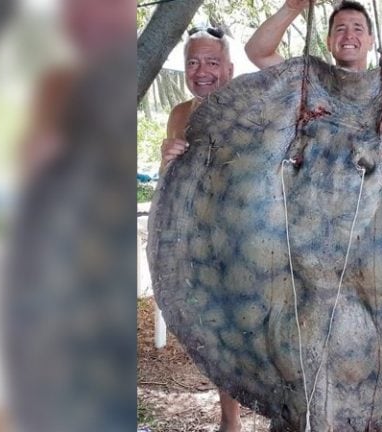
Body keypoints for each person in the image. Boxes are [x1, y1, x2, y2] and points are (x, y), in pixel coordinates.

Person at [159, 27, 241, 432]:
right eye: (193, 62)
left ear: (229, 68)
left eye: (212, 62)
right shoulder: (180, 114)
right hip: (202, 244)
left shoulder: (249, 106)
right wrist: (167, 157)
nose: (202, 71)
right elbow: (168, 185)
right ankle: (230, 421)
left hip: (250, 238)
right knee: (219, 335)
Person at [245, 0, 374, 72]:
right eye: (340, 29)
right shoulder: (309, 83)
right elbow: (258, 53)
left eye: (358, 29)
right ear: (328, 42)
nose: (349, 35)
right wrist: (291, 8)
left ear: (371, 41)